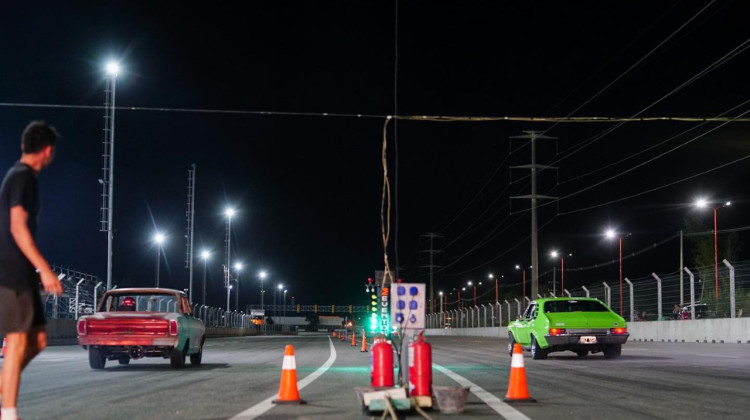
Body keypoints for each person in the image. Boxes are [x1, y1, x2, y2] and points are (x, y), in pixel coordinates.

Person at [0, 121, 63, 420]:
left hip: (22, 272)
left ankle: (4, 388)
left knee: (38, 340)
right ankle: (8, 413)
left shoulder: (22, 176)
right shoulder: (23, 176)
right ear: (47, 151)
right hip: (11, 270)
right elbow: (17, 226)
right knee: (17, 340)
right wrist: (45, 269)